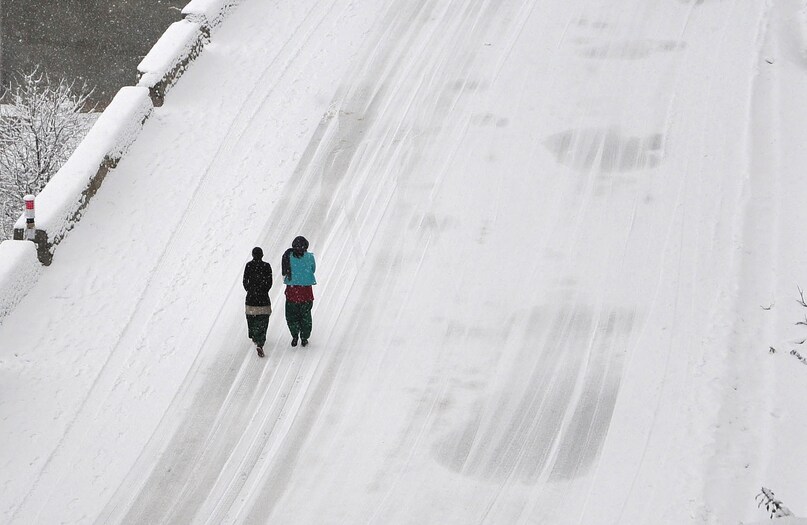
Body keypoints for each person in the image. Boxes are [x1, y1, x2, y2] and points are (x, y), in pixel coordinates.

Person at [282, 236, 316, 347]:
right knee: (305, 316)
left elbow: (284, 271)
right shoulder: (310, 257)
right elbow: (313, 269)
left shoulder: (288, 256)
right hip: (306, 292)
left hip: (292, 291)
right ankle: (304, 337)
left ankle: (295, 335)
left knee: (291, 316)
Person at [243, 246, 273, 357]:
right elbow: (269, 282)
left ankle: (254, 336)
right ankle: (260, 342)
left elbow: (245, 281)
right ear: (262, 255)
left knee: (251, 319)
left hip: (251, 299)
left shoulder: (249, 266)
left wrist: (250, 290)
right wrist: (263, 290)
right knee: (263, 321)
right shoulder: (266, 266)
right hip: (263, 299)